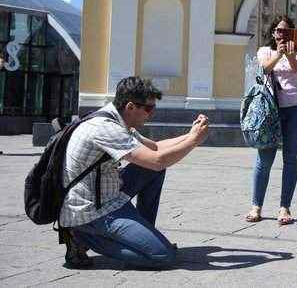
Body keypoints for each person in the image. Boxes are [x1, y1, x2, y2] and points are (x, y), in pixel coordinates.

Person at [60, 76, 209, 269]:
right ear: (130, 107)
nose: (150, 114)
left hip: (108, 194)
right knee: (164, 256)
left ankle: (144, 236)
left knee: (153, 171)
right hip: (92, 210)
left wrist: (191, 135)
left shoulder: (117, 118)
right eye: (148, 109)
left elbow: (155, 148)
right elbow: (157, 160)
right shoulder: (105, 128)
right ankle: (80, 236)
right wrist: (194, 141)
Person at [246, 15, 297, 225]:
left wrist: (289, 54)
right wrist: (279, 53)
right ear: (273, 33)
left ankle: (284, 208)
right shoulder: (265, 51)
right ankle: (256, 206)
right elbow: (264, 68)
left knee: (291, 160)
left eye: (286, 31)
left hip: (296, 109)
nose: (282, 34)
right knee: (264, 160)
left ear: (292, 33)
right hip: (270, 110)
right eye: (279, 31)